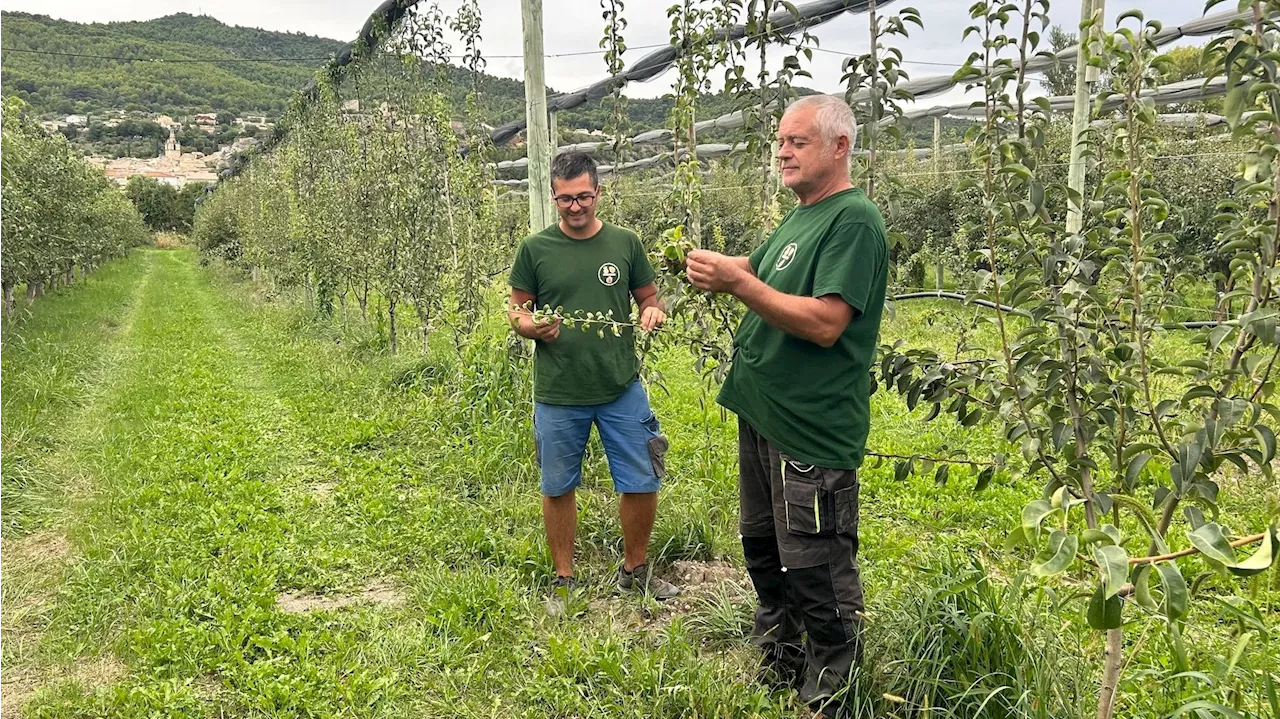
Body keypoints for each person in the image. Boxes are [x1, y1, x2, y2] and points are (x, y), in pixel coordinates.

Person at [684, 94, 888, 716]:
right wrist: (728, 267)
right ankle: (781, 660)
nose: (782, 151)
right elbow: (769, 268)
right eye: (781, 141)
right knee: (765, 544)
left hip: (810, 426)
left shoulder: (853, 221)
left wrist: (739, 284)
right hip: (766, 413)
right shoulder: (803, 215)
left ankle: (832, 687)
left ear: (839, 147)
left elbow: (828, 322)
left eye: (797, 141)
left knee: (817, 560)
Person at [508, 151, 681, 616]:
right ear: (553, 198)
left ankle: (635, 571)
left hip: (620, 386)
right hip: (559, 392)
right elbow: (518, 309)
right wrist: (529, 327)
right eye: (565, 199)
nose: (576, 206)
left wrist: (653, 311)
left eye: (584, 196)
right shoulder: (535, 249)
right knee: (558, 484)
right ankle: (564, 577)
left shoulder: (624, 244)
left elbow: (650, 297)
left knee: (642, 478)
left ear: (598, 192)